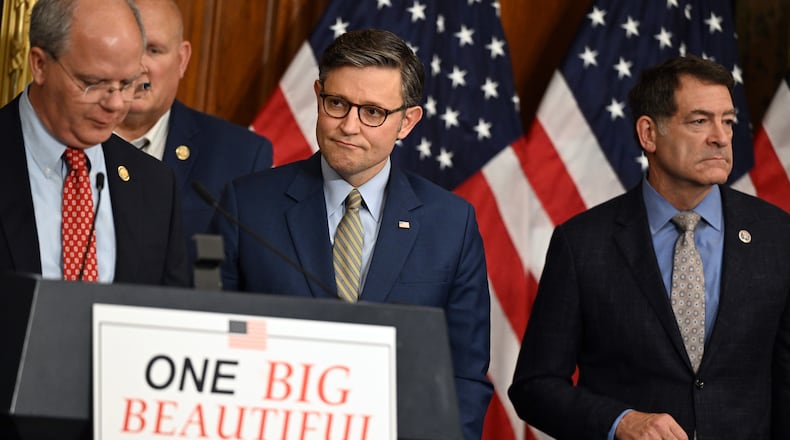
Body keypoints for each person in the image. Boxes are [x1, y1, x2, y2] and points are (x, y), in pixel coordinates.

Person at [213, 29, 492, 439]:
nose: (348, 126)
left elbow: (464, 375)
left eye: (373, 112)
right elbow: (216, 343)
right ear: (318, 95)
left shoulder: (451, 223)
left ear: (406, 122)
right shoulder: (248, 205)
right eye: (337, 103)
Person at [508, 55, 790, 439]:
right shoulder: (583, 243)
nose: (721, 137)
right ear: (649, 134)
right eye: (699, 121)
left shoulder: (777, 235)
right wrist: (619, 422)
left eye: (727, 121)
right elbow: (535, 387)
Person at [0, 0, 188, 286]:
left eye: (127, 84)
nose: (115, 104)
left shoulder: (155, 184)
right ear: (39, 64)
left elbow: (169, 314)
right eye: (94, 83)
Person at [115, 0, 272, 272]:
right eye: (126, 48)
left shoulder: (240, 157)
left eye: (153, 50)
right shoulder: (67, 138)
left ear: (182, 59)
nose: (138, 66)